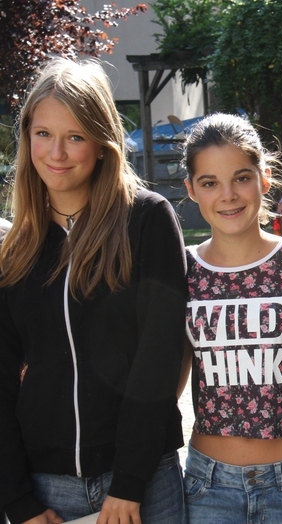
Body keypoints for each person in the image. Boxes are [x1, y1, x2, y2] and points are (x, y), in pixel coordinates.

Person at [0, 58, 187, 524]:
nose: (56, 153)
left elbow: (159, 355)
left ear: (102, 144)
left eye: (75, 137)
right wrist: (17, 499)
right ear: (26, 138)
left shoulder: (146, 219)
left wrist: (129, 482)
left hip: (144, 481)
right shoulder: (16, 247)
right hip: (47, 489)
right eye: (43, 134)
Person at [181, 113, 282, 524]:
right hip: (209, 486)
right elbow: (165, 375)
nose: (228, 195)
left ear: (264, 178)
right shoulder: (182, 270)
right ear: (192, 189)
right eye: (210, 183)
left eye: (241, 178)